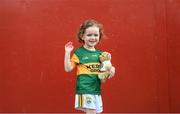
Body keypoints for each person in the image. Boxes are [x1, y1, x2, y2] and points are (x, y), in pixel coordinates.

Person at [64, 19, 115, 114]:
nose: (93, 37)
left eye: (96, 35)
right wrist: (67, 52)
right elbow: (68, 68)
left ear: (100, 36)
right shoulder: (79, 52)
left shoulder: (101, 55)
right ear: (82, 36)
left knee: (95, 112)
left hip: (96, 90)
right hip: (85, 89)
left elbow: (103, 78)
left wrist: (110, 71)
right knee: (91, 112)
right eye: (89, 35)